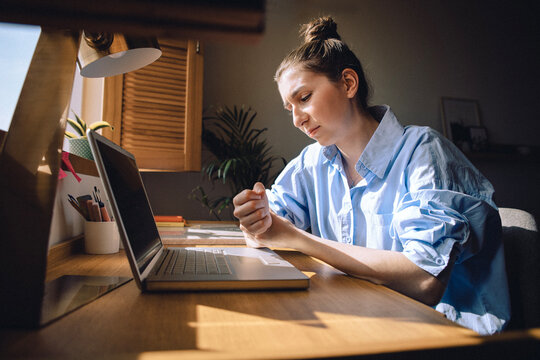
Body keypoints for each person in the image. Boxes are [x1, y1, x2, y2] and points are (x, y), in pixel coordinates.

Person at [232, 16, 510, 335]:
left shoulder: (423, 152)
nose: (296, 119)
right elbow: (271, 225)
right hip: (362, 320)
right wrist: (256, 220)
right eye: (289, 108)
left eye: (304, 98)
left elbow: (424, 280)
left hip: (444, 335)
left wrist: (296, 237)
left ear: (349, 83)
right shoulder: (312, 161)